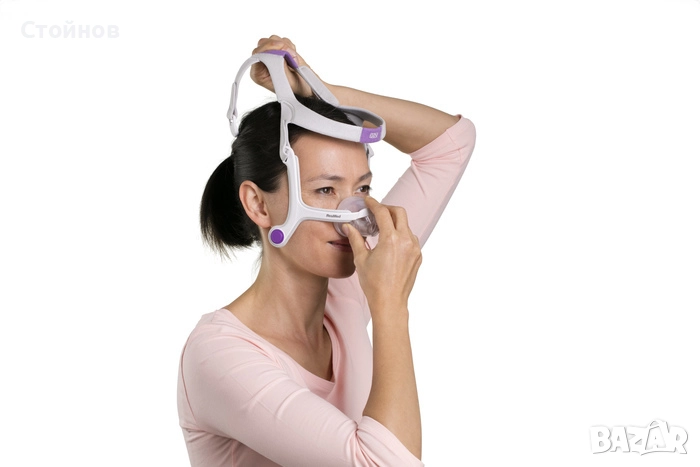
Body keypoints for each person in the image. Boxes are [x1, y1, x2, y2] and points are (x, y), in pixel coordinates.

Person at [177, 35, 476, 466]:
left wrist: (322, 96)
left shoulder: (345, 297)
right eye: (325, 190)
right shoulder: (218, 357)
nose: (352, 214)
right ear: (259, 205)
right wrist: (390, 306)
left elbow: (450, 143)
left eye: (362, 189)